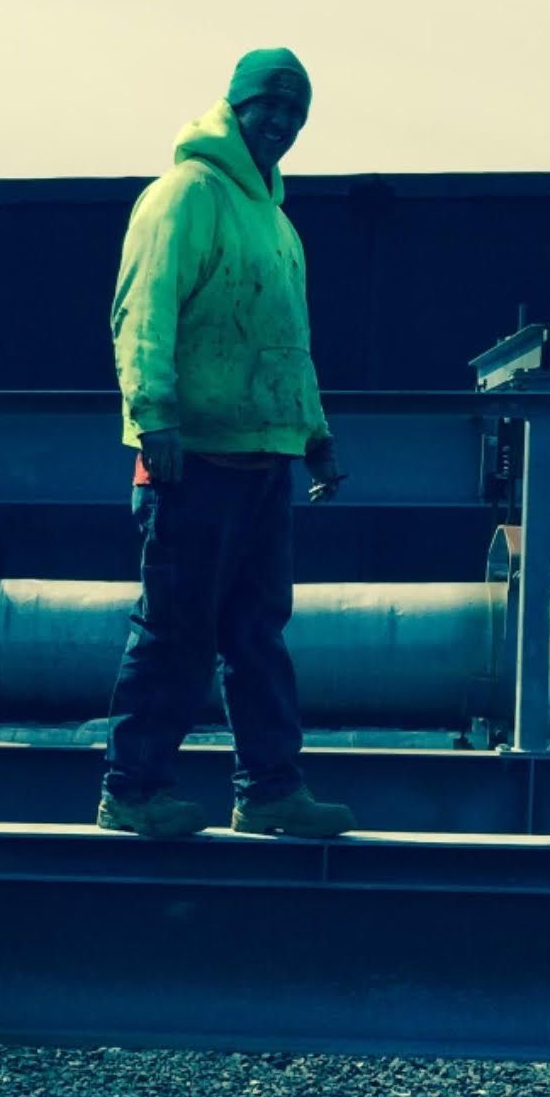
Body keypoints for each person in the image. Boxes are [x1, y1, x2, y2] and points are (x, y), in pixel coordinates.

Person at [98, 47, 357, 840]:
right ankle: (132, 791)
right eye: (268, 107)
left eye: (294, 113)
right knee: (176, 631)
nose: (280, 123)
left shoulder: (279, 225)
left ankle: (271, 791)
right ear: (236, 107)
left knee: (256, 634)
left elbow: (290, 344)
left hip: (263, 460)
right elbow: (143, 313)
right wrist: (157, 420)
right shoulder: (186, 195)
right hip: (194, 458)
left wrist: (314, 437)